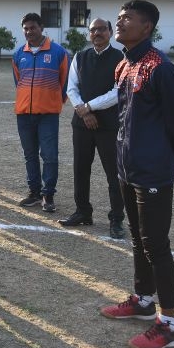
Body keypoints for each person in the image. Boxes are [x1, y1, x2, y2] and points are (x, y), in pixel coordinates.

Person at [100, 0, 174, 348]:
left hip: (153, 170)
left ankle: (169, 324)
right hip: (128, 167)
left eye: (127, 19)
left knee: (156, 243)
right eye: (119, 18)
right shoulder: (124, 64)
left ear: (147, 27)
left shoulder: (161, 68)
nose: (119, 23)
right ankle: (142, 300)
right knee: (139, 240)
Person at [59, 18, 126, 238]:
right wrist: (84, 111)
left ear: (109, 32)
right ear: (89, 34)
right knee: (80, 170)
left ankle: (116, 219)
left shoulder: (121, 58)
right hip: (82, 125)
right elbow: (71, 88)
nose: (97, 33)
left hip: (109, 125)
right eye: (93, 30)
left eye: (101, 29)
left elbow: (118, 92)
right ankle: (83, 212)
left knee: (113, 174)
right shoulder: (80, 56)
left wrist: (88, 107)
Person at [12, 12, 70, 212]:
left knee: (50, 155)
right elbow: (18, 81)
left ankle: (48, 194)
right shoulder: (19, 54)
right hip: (24, 114)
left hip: (48, 114)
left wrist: (53, 101)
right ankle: (34, 193)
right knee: (30, 155)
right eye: (26, 28)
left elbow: (64, 83)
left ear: (41, 27)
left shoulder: (58, 52)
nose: (29, 31)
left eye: (33, 27)